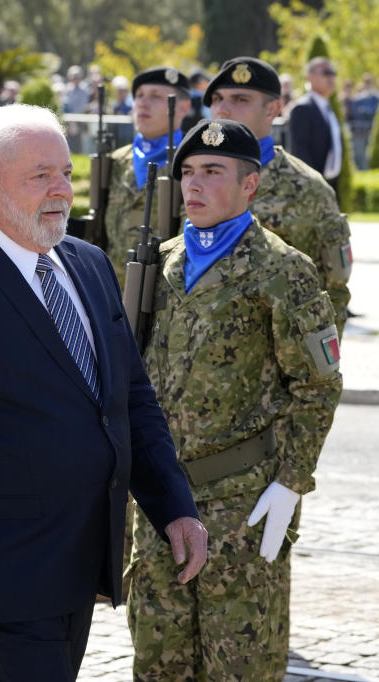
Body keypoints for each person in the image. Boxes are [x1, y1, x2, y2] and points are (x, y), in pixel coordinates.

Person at [0, 103, 207, 682]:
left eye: (66, 174)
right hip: (0, 573)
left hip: (82, 558)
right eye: (39, 176)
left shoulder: (89, 263)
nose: (60, 191)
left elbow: (131, 398)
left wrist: (173, 505)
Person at [128, 118, 342, 681]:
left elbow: (318, 386)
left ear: (251, 185)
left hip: (241, 499)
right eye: (189, 172)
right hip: (160, 498)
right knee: (158, 662)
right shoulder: (161, 263)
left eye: (213, 172)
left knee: (241, 664)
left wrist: (291, 482)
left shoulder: (283, 270)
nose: (194, 185)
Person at [205, 57, 352, 336]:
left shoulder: (310, 190)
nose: (223, 108)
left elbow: (334, 295)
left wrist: (311, 375)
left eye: (240, 99)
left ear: (272, 109)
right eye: (216, 98)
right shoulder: (186, 180)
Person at [104, 66, 191, 285]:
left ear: (183, 107)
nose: (142, 103)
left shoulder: (193, 163)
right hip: (112, 289)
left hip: (164, 292)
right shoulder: (115, 161)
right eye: (139, 95)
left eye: (155, 96)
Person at [289, 57, 343, 193]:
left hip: (329, 181)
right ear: (310, 77)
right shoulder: (303, 107)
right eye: (326, 73)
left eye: (333, 73)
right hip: (313, 186)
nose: (331, 77)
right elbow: (300, 151)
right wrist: (314, 183)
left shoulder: (327, 106)